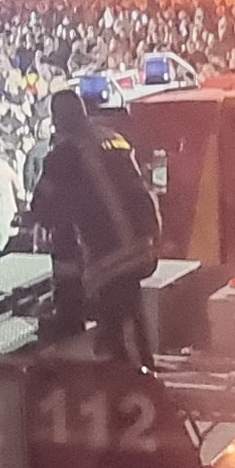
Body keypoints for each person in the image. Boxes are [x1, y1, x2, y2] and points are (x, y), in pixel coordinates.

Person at [30, 86, 162, 363]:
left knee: (118, 331)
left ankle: (132, 382)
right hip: (144, 240)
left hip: (112, 255)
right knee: (129, 316)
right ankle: (138, 372)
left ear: (57, 120)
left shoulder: (63, 156)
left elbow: (43, 209)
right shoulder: (113, 138)